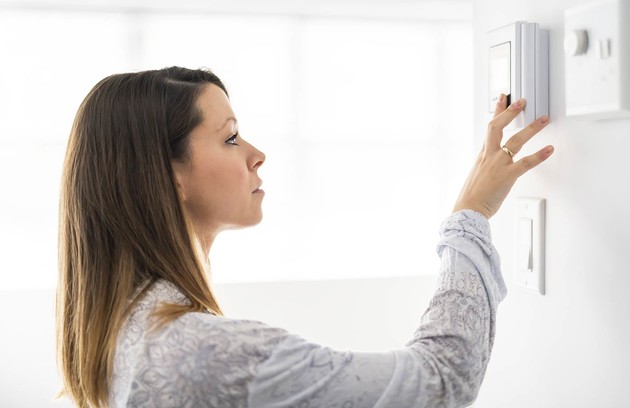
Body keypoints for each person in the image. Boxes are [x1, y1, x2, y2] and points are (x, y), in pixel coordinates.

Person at [56, 67, 554, 408]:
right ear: (166, 176)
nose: (257, 154)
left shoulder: (122, 321)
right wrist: (471, 216)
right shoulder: (197, 350)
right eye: (230, 137)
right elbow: (441, 381)